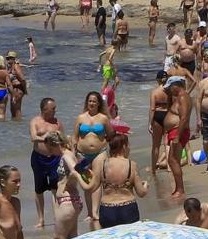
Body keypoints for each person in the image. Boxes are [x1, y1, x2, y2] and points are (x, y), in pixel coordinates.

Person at [86, 132, 149, 228]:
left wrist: (83, 175)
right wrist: (145, 185)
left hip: (107, 210)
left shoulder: (102, 165)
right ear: (124, 147)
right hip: (127, 209)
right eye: (128, 146)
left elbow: (92, 188)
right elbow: (141, 193)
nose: (129, 149)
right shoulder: (131, 165)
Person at [71, 91, 114, 227]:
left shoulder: (103, 118)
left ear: (99, 103)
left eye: (94, 101)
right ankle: (89, 213)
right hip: (82, 154)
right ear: (87, 102)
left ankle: (95, 212)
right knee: (87, 183)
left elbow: (111, 134)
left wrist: (106, 143)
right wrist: (73, 153)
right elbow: (75, 137)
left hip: (99, 152)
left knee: (97, 181)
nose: (92, 103)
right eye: (90, 101)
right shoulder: (80, 118)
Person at [29, 97, 63, 230]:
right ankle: (41, 219)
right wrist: (45, 137)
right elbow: (33, 137)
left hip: (54, 158)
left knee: (55, 188)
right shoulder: (35, 121)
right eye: (53, 108)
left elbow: (63, 139)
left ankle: (57, 217)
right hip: (39, 158)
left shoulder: (57, 123)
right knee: (39, 190)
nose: (55, 110)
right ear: (45, 109)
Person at [157, 76, 191, 197]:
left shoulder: (183, 97)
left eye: (170, 88)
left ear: (176, 85)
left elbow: (184, 117)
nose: (169, 90)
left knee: (173, 160)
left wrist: (177, 136)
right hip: (175, 131)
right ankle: (178, 188)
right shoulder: (179, 97)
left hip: (178, 132)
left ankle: (180, 189)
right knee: (172, 160)